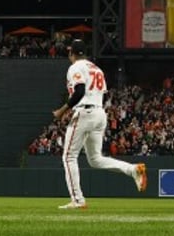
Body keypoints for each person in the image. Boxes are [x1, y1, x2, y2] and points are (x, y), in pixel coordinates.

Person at [52, 39, 147, 210]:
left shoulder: (75, 67)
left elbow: (80, 91)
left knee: (69, 156)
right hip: (99, 113)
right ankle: (133, 170)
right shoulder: (96, 69)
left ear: (72, 53)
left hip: (85, 112)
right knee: (95, 159)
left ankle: (78, 200)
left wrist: (62, 110)